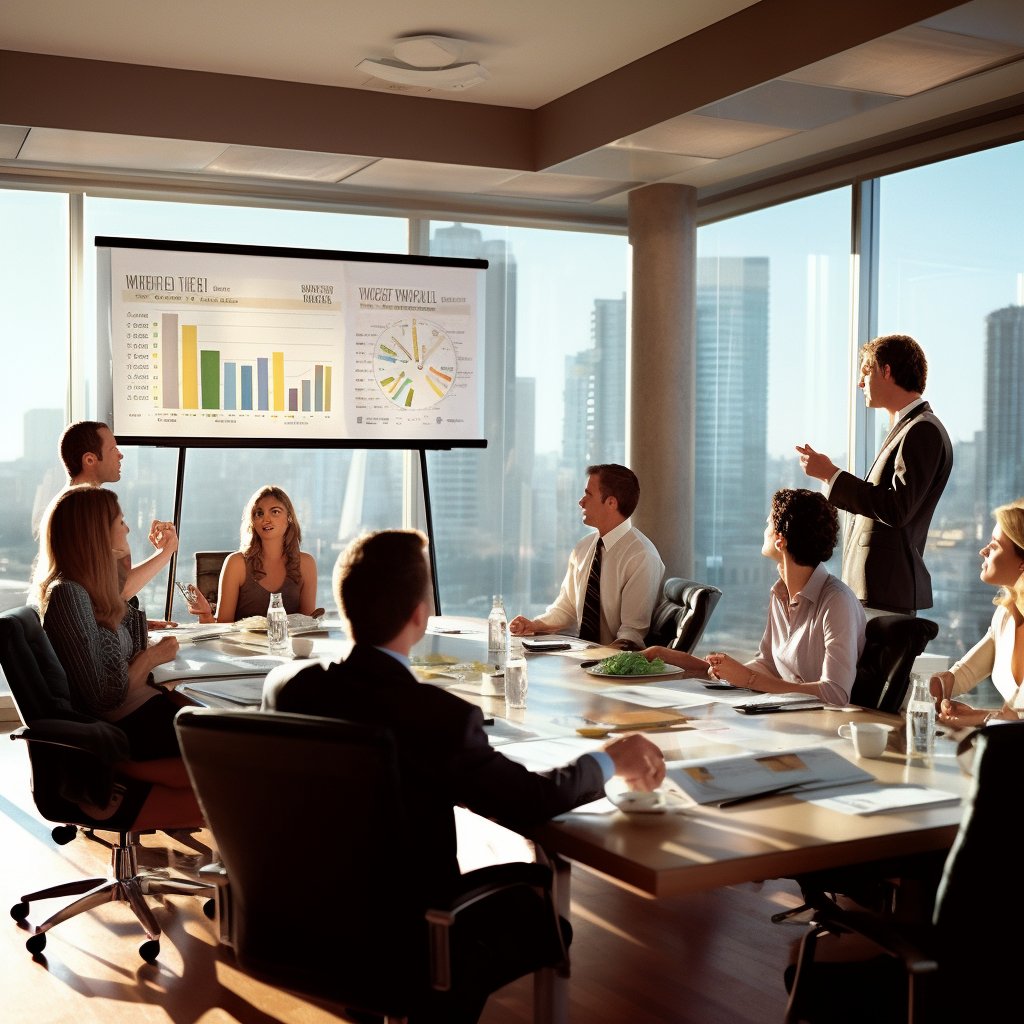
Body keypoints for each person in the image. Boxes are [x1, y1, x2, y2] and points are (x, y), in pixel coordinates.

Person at [263, 529, 665, 1022]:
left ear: (346, 606)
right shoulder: (438, 717)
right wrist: (611, 758)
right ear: (419, 614)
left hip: (310, 923)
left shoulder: (289, 689)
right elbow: (530, 801)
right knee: (537, 910)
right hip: (414, 936)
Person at [661, 489, 866, 707]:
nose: (764, 529)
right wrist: (727, 671)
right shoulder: (780, 594)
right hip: (786, 715)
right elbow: (768, 663)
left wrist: (749, 679)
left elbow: (835, 694)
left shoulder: (837, 602)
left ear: (780, 540)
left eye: (768, 524)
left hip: (821, 727)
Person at [796, 334, 952, 615]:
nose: (859, 384)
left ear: (886, 370)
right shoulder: (911, 427)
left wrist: (831, 476)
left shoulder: (921, 429)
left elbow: (896, 508)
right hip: (879, 590)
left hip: (886, 591)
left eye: (865, 373)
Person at [35, 485, 191, 762]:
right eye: (120, 521)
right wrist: (152, 657)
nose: (128, 529)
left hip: (141, 716)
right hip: (130, 731)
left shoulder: (85, 590)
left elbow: (112, 641)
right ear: (97, 533)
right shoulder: (69, 594)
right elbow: (105, 698)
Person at [508, 463, 664, 650]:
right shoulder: (583, 548)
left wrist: (595, 660)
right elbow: (567, 608)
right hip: (581, 655)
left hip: (613, 666)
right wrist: (534, 625)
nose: (581, 502)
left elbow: (631, 635)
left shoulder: (641, 557)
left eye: (588, 495)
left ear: (611, 503)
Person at [57, 420, 180, 610]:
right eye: (113, 449)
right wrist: (166, 552)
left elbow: (101, 592)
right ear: (90, 459)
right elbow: (116, 591)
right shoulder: (80, 511)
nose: (121, 455)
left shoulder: (70, 504)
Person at [930, 498, 1024, 728]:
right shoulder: (1005, 618)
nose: (983, 550)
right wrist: (942, 696)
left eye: (995, 544)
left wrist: (981, 718)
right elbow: (962, 675)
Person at [185, 484, 318, 623]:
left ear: (289, 518)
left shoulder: (306, 564)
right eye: (259, 513)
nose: (266, 519)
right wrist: (205, 615)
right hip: (241, 645)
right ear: (253, 521)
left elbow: (307, 626)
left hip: (287, 644)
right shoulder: (236, 563)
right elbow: (223, 627)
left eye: (275, 512)